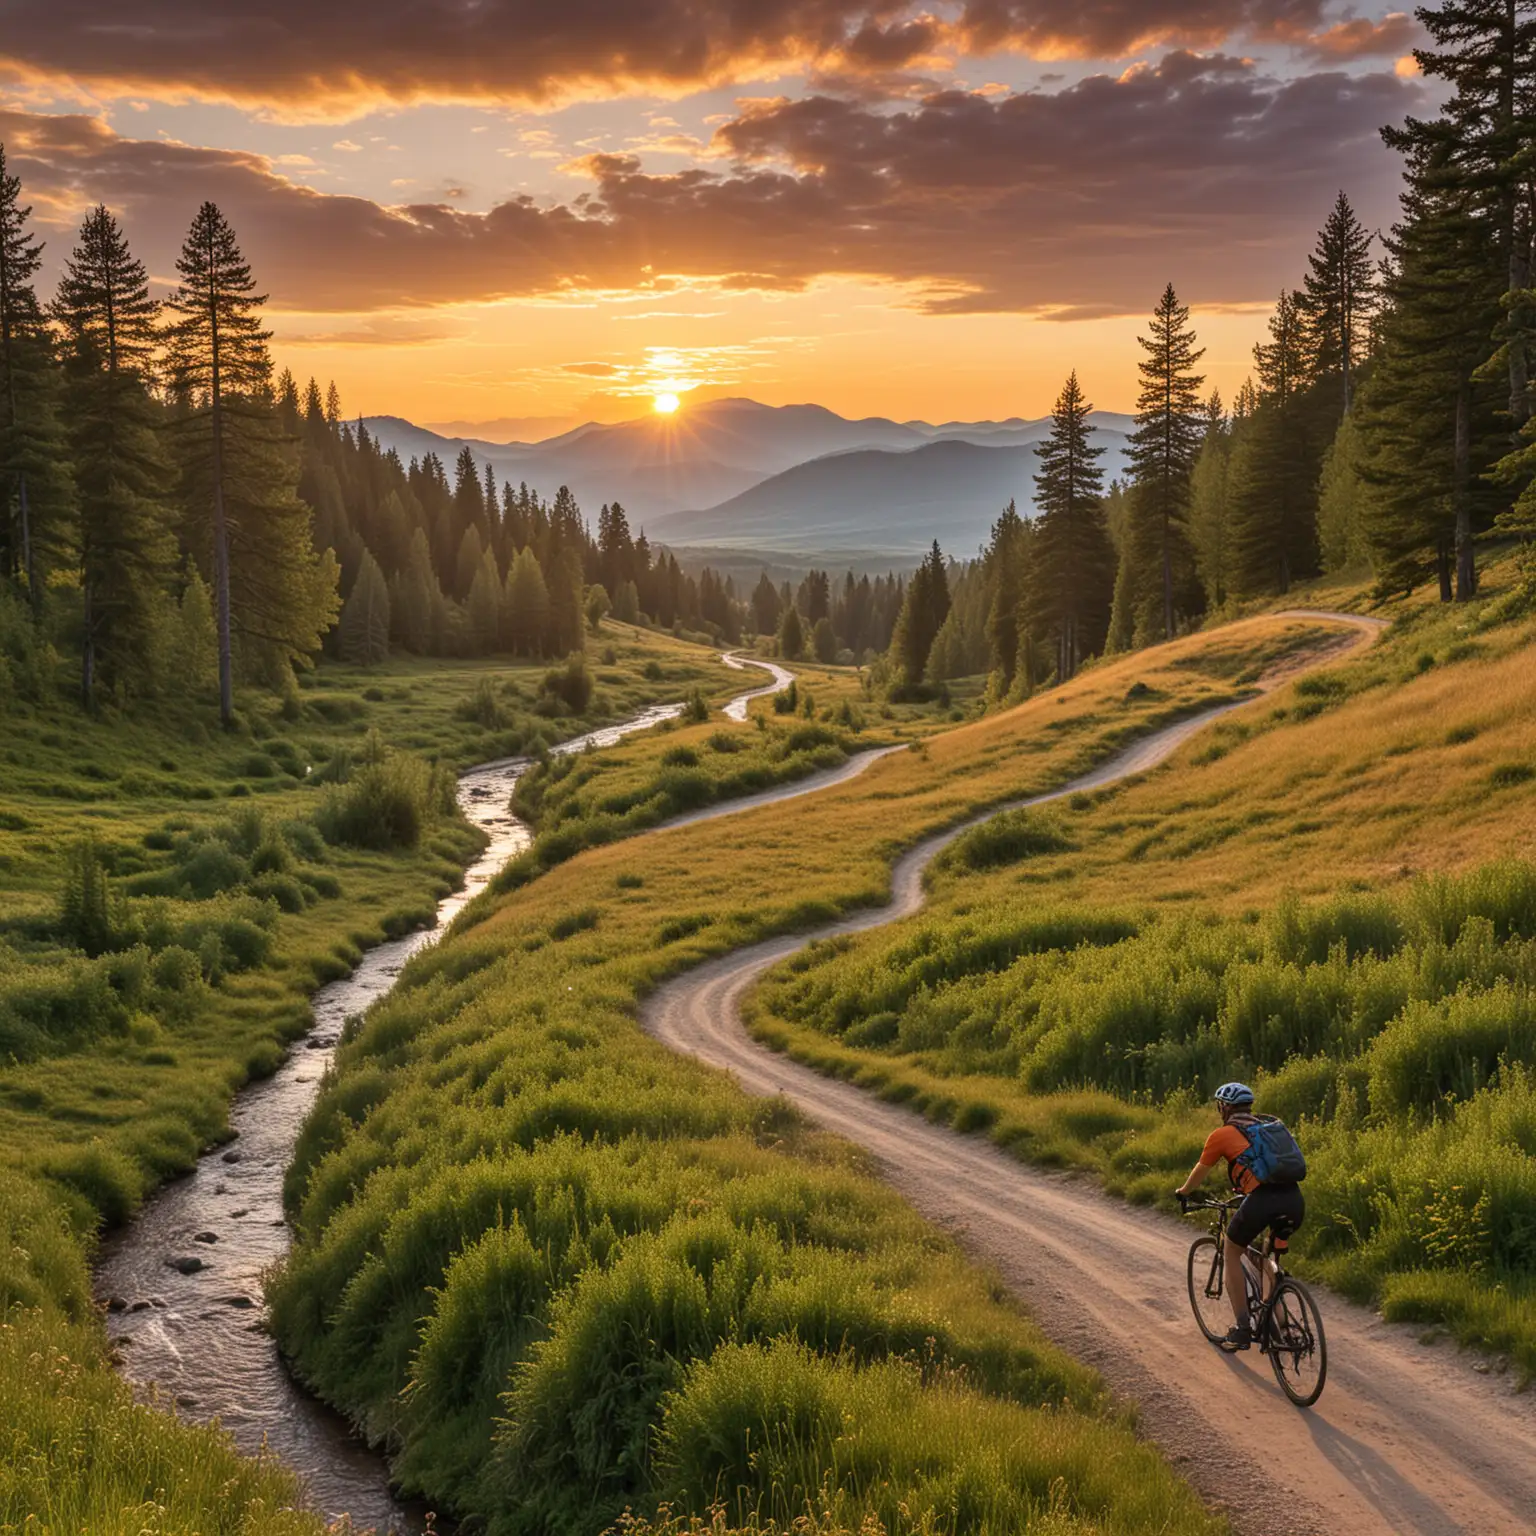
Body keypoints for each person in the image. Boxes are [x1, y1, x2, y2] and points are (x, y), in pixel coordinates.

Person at [1175, 1081, 1305, 1350]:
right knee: (1266, 1260)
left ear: (1224, 1107)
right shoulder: (1268, 1127)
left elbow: (1201, 1170)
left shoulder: (1222, 1134)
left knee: (1232, 1250)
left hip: (1262, 1201)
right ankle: (1283, 1326)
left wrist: (1183, 1192)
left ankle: (1243, 1329)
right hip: (1294, 1200)